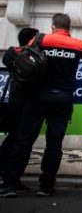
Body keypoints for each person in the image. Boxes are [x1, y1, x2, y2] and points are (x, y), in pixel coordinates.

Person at [1, 14, 82, 197]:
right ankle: (46, 186)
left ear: (53, 26)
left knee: (24, 139)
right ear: (69, 28)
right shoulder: (78, 44)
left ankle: (11, 183)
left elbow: (20, 54)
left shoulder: (41, 40)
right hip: (63, 98)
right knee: (54, 143)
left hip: (38, 96)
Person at [0, 28, 40, 192]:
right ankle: (10, 179)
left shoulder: (12, 53)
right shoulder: (32, 57)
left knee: (15, 139)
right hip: (25, 104)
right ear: (32, 40)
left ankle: (10, 177)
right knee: (20, 142)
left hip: (17, 102)